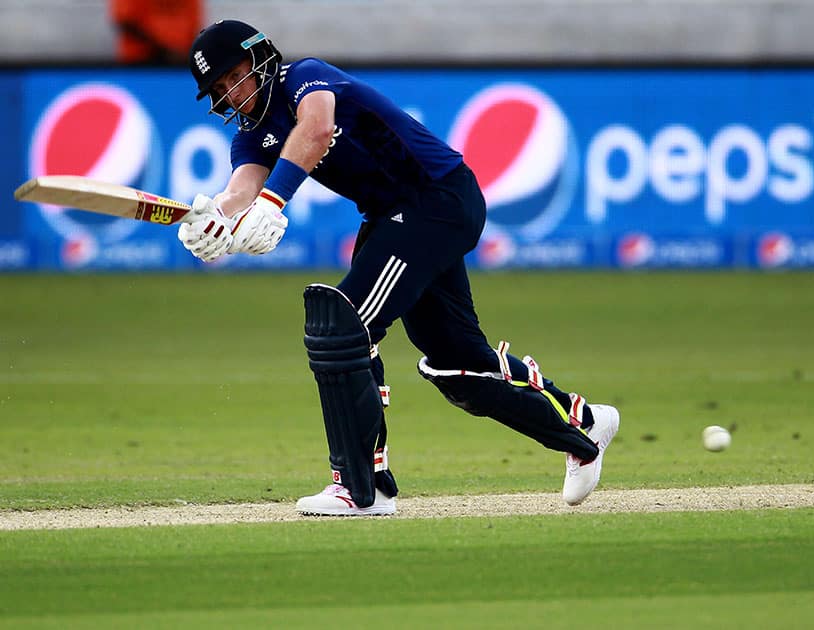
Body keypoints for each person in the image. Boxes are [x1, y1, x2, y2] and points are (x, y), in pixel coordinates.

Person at [179, 20, 620, 516]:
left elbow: (317, 129)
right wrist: (215, 219)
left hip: (439, 197)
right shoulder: (250, 136)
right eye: (218, 91)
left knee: (344, 322)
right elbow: (242, 190)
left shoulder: (305, 77)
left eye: (231, 78)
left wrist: (273, 201)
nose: (230, 96)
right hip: (397, 218)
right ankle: (583, 428)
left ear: (259, 57)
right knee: (458, 365)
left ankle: (364, 486)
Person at [110, 0, 203, 65]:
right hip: (138, 63)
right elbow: (126, 22)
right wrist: (163, 51)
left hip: (179, 65)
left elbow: (193, 26)